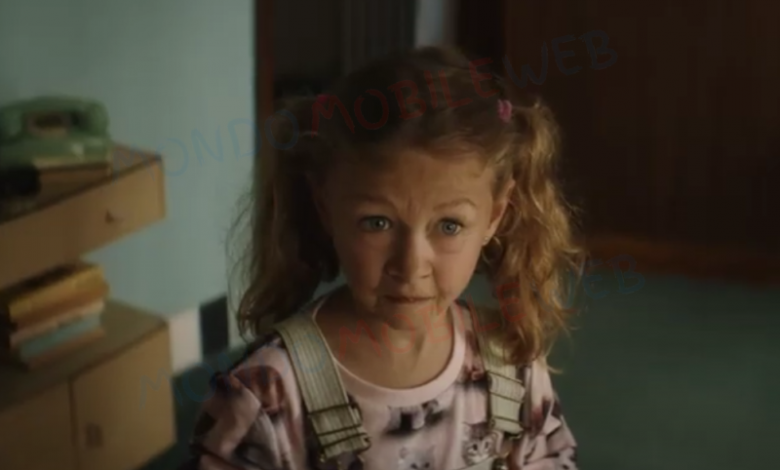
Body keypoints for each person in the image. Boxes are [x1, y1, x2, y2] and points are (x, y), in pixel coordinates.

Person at [179, 46, 585, 470]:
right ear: (325, 206)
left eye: (449, 226)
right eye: (377, 223)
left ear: (495, 216)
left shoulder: (512, 367)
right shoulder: (264, 397)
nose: (410, 266)